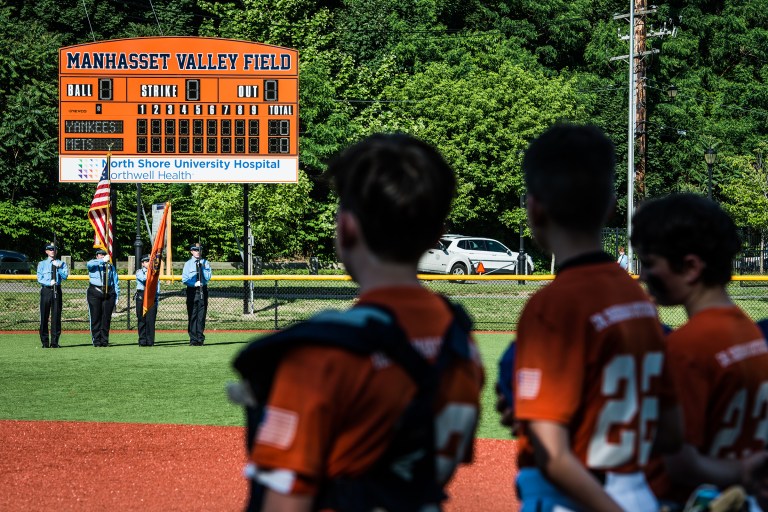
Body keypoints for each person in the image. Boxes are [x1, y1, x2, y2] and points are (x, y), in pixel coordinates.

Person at [229, 133, 485, 511]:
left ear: (346, 229)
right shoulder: (462, 341)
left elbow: (283, 503)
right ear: (438, 235)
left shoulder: (320, 355)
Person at [503, 123, 681, 512]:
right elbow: (671, 430)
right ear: (612, 204)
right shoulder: (637, 298)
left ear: (534, 207)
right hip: (636, 489)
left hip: (579, 498)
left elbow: (553, 456)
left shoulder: (552, 306)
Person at [631, 193, 768, 511]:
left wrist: (741, 473)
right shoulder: (748, 330)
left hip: (677, 500)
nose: (643, 276)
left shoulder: (687, 347)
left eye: (650, 264)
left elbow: (681, 464)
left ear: (691, 267)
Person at [36, 243, 69, 348]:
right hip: (46, 290)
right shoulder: (42, 264)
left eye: (54, 249)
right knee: (44, 316)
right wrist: (48, 282)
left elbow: (65, 276)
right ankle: (45, 342)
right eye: (50, 250)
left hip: (57, 290)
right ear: (46, 251)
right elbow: (39, 278)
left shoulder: (61, 263)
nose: (52, 251)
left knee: (56, 317)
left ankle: (55, 342)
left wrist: (58, 268)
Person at [86, 248, 119, 347]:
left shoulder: (111, 267)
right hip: (95, 291)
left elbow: (115, 282)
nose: (102, 256)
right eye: (100, 255)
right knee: (95, 317)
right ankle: (96, 340)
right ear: (97, 256)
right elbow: (89, 264)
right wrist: (101, 261)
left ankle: (104, 340)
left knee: (106, 318)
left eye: (103, 255)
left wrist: (117, 296)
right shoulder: (94, 265)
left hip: (108, 292)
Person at [181, 244, 211, 346]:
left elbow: (208, 277)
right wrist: (193, 284)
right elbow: (184, 279)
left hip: (203, 290)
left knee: (201, 316)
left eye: (199, 250)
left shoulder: (205, 263)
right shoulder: (188, 264)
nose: (198, 252)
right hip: (192, 291)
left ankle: (200, 338)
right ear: (191, 252)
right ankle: (193, 339)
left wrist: (201, 269)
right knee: (192, 315)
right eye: (195, 250)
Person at [135, 254, 158, 347]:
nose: (149, 263)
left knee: (151, 320)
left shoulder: (155, 273)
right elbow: (145, 279)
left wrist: (157, 297)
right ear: (143, 263)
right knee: (141, 319)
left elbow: (157, 286)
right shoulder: (139, 272)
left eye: (150, 261)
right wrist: (151, 273)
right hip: (142, 295)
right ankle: (142, 340)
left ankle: (150, 341)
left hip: (152, 296)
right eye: (147, 261)